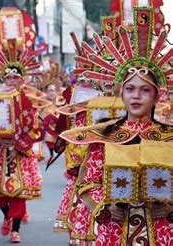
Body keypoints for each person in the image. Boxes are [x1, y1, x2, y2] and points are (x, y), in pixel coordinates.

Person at [59, 7, 173, 245]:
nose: (136, 96)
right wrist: (105, 207)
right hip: (115, 231)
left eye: (145, 90)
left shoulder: (168, 136)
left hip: (161, 232)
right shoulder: (106, 134)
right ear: (122, 93)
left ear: (156, 96)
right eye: (130, 89)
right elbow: (88, 183)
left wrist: (171, 208)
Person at [0, 39, 44, 243]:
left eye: (16, 78)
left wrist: (20, 145)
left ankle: (15, 229)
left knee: (19, 192)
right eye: (8, 78)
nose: (12, 81)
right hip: (0, 150)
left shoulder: (28, 100)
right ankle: (7, 215)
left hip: (21, 153)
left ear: (22, 80)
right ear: (3, 79)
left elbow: (34, 127)